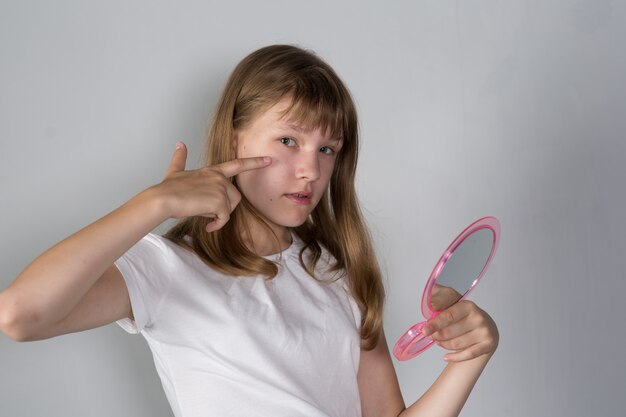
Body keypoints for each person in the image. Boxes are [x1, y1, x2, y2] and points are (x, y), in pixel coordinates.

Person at [0, 44, 498, 417]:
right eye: (288, 140)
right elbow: (21, 314)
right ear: (233, 136)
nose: (311, 170)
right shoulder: (169, 268)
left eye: (327, 149)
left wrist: (470, 359)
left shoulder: (338, 277)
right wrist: (155, 203)